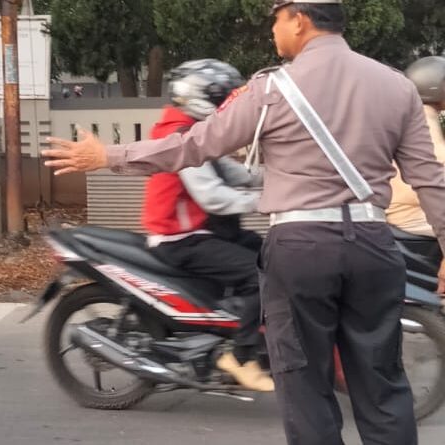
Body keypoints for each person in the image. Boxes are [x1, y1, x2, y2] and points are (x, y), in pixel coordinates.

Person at [43, 1, 445, 444]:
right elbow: (431, 179)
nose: (272, 29)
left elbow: (193, 146)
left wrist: (110, 155)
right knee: (382, 383)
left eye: (276, 18)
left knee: (306, 386)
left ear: (299, 19)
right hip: (373, 244)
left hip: (301, 247)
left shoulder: (271, 88)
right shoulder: (396, 86)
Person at [143, 59, 272, 391]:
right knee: (263, 275)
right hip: (181, 240)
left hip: (202, 233)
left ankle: (255, 331)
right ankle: (241, 357)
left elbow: (239, 175)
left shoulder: (196, 132)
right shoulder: (180, 137)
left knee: (279, 254)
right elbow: (213, 197)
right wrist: (267, 202)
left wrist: (291, 178)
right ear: (201, 97)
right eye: (223, 98)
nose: (229, 105)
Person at [387, 56, 445, 236]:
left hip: (406, 210)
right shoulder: (424, 119)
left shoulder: (405, 114)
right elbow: (437, 171)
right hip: (412, 215)